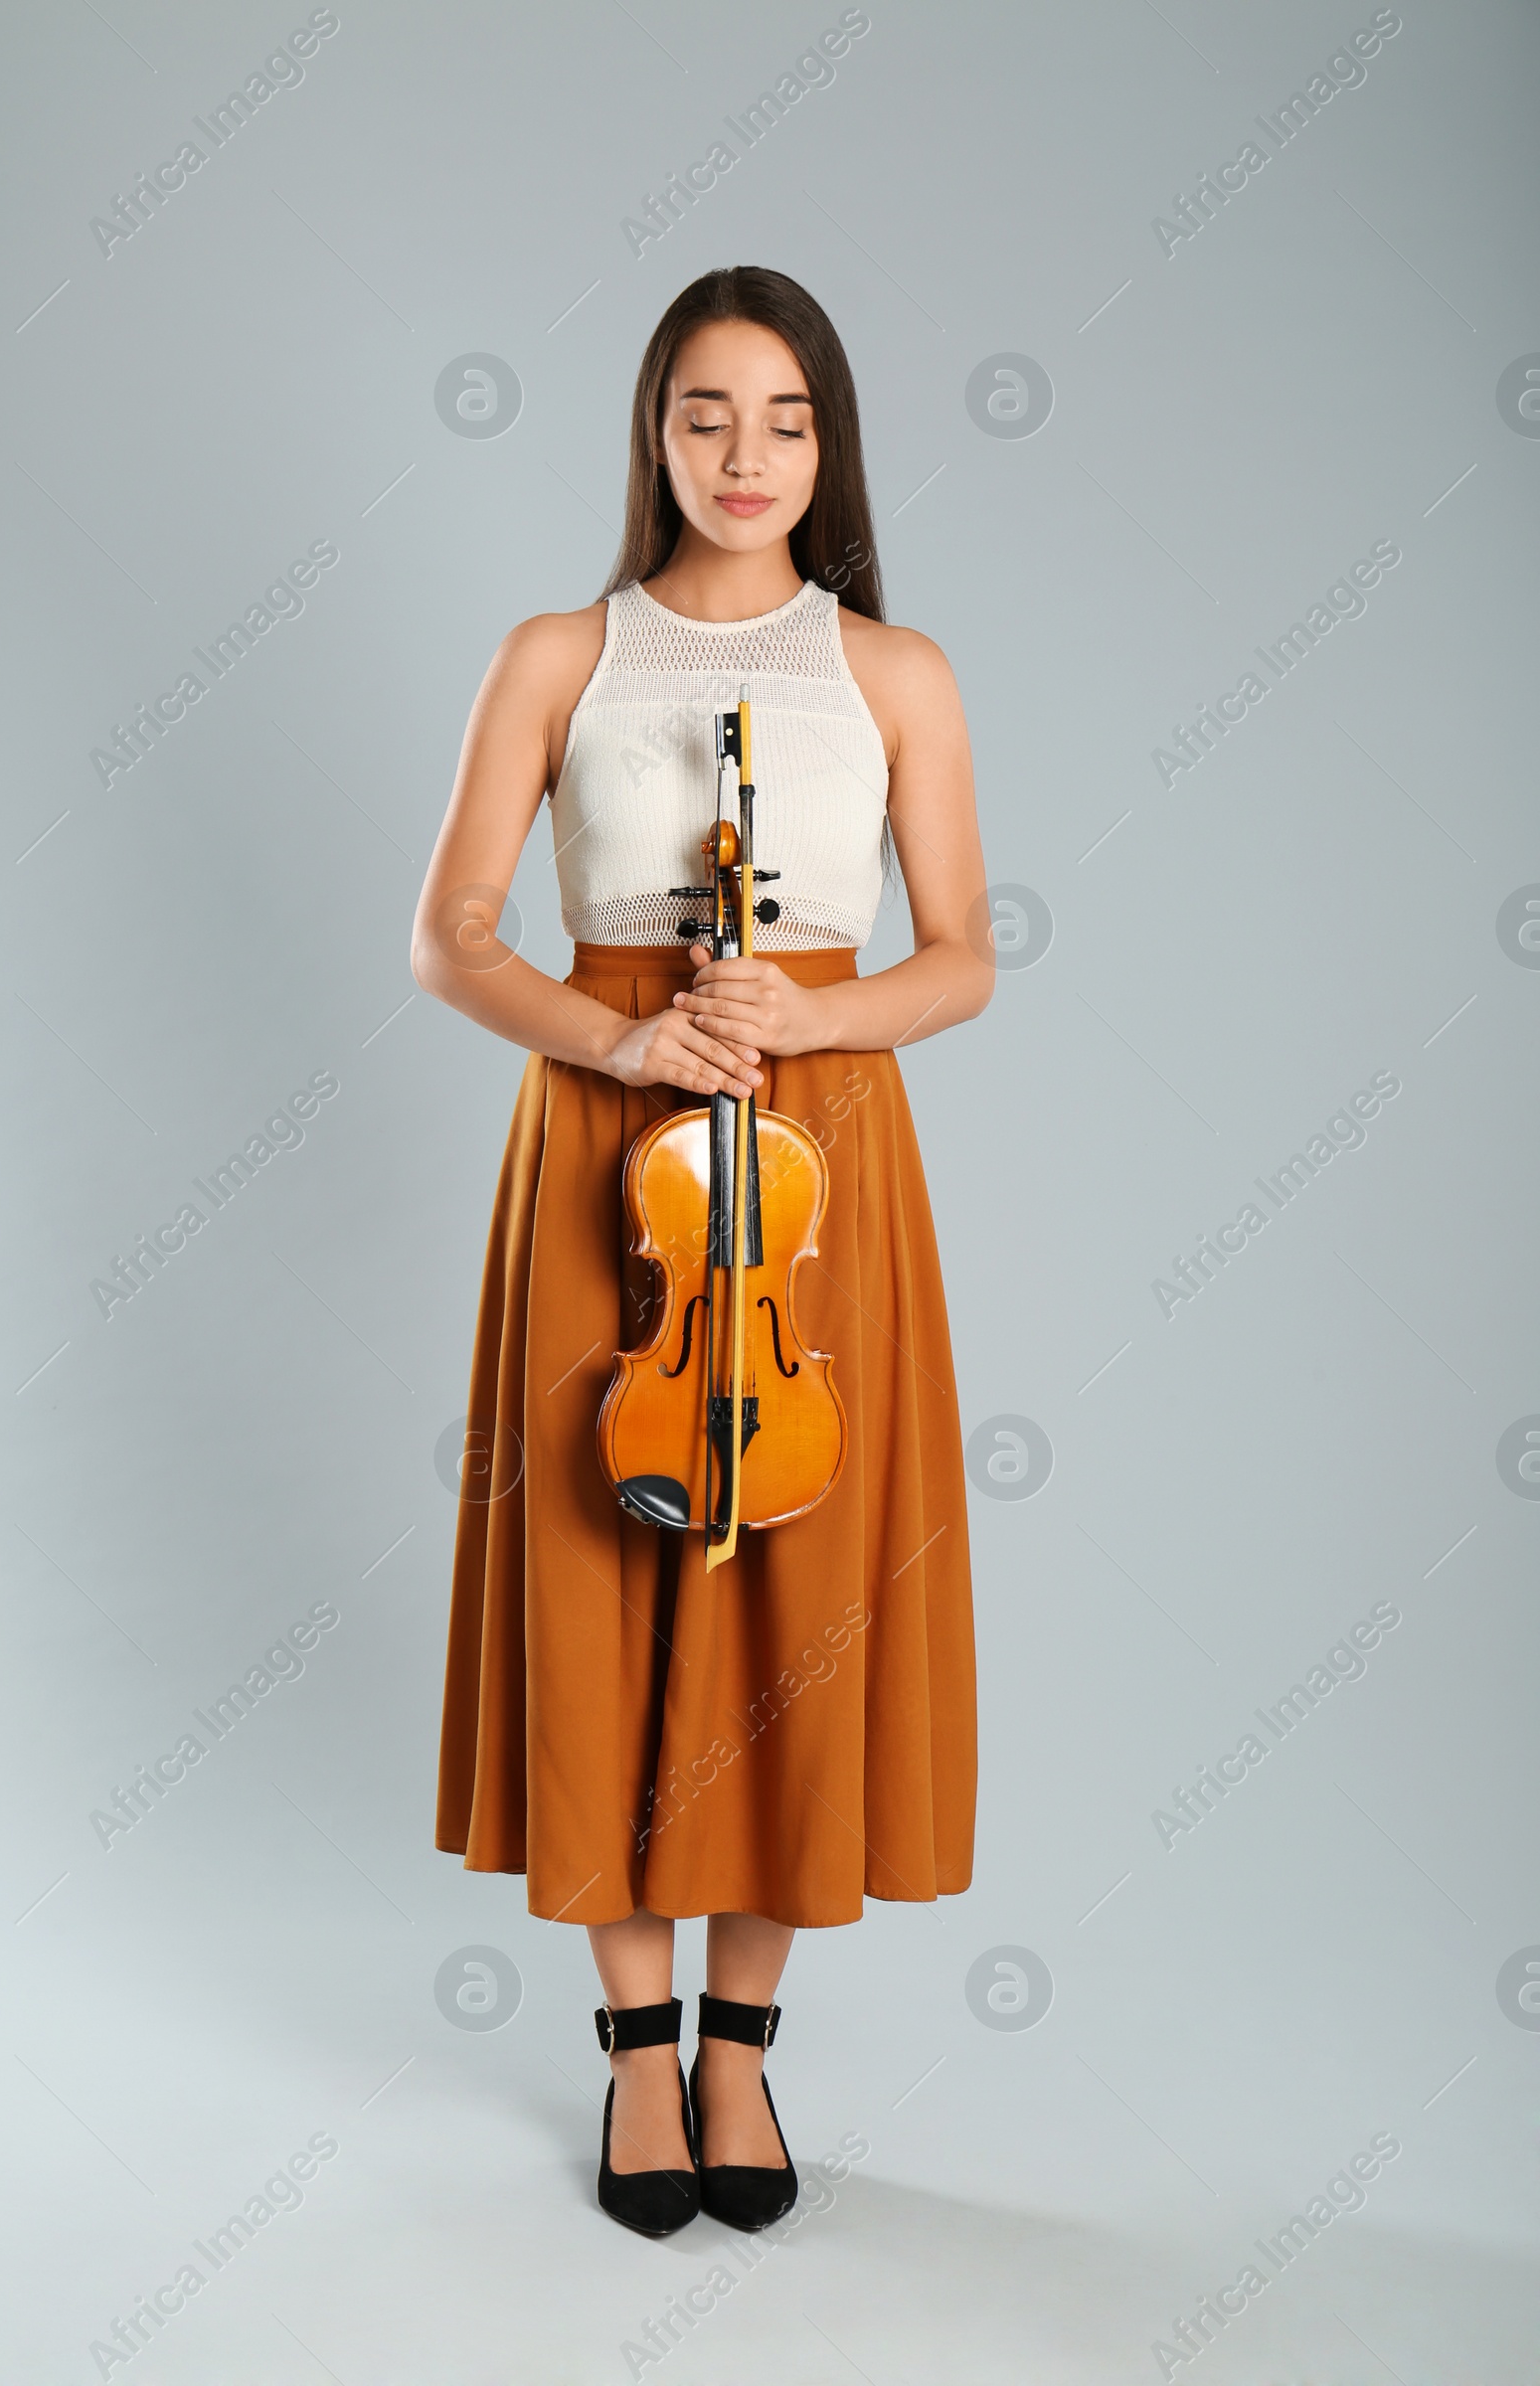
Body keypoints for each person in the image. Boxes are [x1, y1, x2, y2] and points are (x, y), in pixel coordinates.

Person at [413, 264, 988, 2238]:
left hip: (814, 1156)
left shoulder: (893, 671)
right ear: (651, 431)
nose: (742, 459)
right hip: (612, 1143)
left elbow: (961, 957)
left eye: (785, 421)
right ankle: (629, 2063)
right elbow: (453, 937)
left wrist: (807, 1019)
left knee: (791, 1586)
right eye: (703, 416)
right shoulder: (558, 656)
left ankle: (739, 2043)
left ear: (827, 446)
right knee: (604, 1576)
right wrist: (629, 1035)